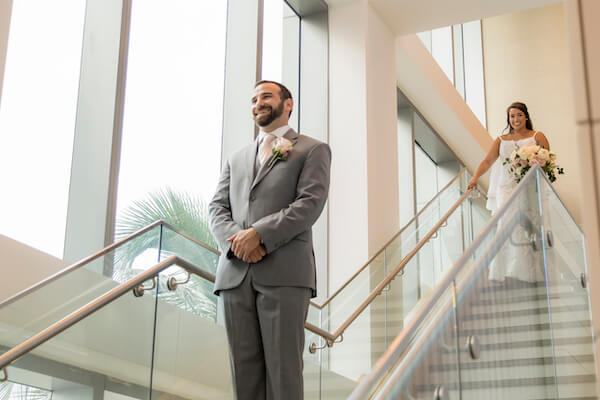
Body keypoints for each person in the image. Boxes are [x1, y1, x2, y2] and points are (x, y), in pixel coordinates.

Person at [208, 80, 331, 400]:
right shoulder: (236, 158)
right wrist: (238, 241)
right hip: (235, 276)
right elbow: (217, 208)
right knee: (243, 375)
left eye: (266, 96)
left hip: (285, 274)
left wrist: (259, 235)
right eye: (253, 99)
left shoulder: (312, 149)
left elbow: (309, 204)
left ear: (287, 104)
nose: (258, 103)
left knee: (284, 372)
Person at [468, 101, 550, 283]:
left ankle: (530, 271)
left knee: (528, 224)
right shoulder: (501, 140)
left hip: (528, 187)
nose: (515, 119)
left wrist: (537, 164)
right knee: (506, 224)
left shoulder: (537, 136)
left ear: (526, 117)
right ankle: (506, 270)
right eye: (512, 116)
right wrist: (475, 177)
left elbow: (548, 162)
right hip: (506, 188)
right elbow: (488, 161)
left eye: (519, 115)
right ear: (509, 119)